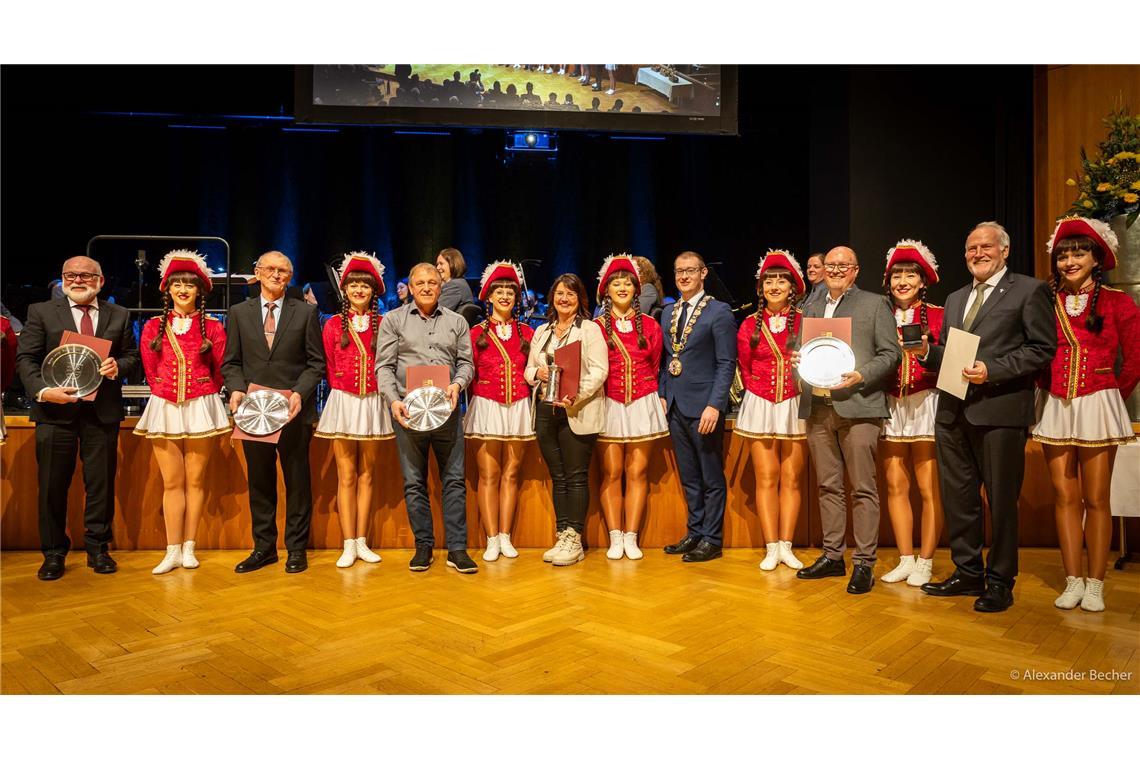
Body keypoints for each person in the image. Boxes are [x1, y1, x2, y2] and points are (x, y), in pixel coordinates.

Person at [918, 221, 1056, 612]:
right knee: (960, 498)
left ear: (1005, 250)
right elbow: (952, 353)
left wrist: (991, 369)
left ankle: (999, 580)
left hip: (1000, 411)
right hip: (952, 411)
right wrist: (927, 352)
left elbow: (1041, 349)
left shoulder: (1030, 290)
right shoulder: (957, 298)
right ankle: (967, 572)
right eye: (970, 249)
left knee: (1001, 501)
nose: (977, 254)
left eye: (985, 247)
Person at [1031, 217, 1138, 612]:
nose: (1069, 261)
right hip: (1056, 404)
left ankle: (1096, 583)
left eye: (1078, 253)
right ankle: (1072, 578)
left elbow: (1135, 359)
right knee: (1064, 496)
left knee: (1096, 499)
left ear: (1097, 258)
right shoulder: (1045, 300)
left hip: (1098, 404)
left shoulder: (1117, 302)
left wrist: (1110, 394)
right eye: (1063, 255)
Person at [16, 255, 140, 580]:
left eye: (86, 275)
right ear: (62, 279)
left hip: (102, 413)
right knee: (52, 486)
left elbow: (131, 357)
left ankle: (98, 549)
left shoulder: (120, 315)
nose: (78, 280)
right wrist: (43, 391)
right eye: (71, 275)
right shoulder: (41, 312)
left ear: (100, 281)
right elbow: (26, 359)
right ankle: (54, 553)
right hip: (54, 411)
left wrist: (119, 368)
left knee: (100, 484)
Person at [794, 246, 900, 594]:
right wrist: (799, 357)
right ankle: (832, 556)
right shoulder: (810, 304)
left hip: (859, 406)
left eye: (844, 265)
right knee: (828, 486)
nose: (836, 270)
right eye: (831, 265)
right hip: (819, 408)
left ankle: (864, 563)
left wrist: (862, 375)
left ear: (855, 270)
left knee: (863, 488)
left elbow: (890, 353)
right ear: (822, 269)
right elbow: (804, 347)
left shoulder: (873, 303)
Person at [222, 250, 325, 574]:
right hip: (254, 413)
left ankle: (296, 549)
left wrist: (298, 393)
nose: (277, 275)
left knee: (297, 482)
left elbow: (315, 363)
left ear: (289, 276)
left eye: (283, 271)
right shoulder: (238, 312)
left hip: (293, 412)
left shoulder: (306, 313)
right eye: (270, 269)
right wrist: (237, 388)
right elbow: (231, 362)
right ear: (257, 272)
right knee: (260, 481)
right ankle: (263, 548)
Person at [377, 262, 478, 573]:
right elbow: (384, 367)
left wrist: (457, 384)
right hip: (408, 412)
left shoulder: (457, 321)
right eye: (419, 282)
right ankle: (423, 546)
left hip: (446, 411)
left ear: (440, 286)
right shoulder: (393, 320)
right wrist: (393, 402)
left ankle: (458, 549)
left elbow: (466, 364)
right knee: (413, 482)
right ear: (411, 285)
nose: (425, 288)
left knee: (454, 481)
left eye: (431, 282)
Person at [135, 251, 231, 574]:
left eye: (189, 285)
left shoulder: (214, 329)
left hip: (201, 406)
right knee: (171, 482)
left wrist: (201, 390)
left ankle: (190, 547)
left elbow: (219, 371)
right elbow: (151, 371)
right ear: (167, 289)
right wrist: (166, 391)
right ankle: (171, 549)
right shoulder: (152, 328)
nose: (183, 290)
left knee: (196, 480)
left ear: (200, 290)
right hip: (165, 407)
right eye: (176, 284)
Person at [315, 252, 394, 568]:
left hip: (374, 403)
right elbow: (330, 367)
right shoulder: (333, 324)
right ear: (344, 289)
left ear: (374, 290)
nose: (359, 290)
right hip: (345, 402)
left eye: (365, 285)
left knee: (368, 474)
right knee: (346, 474)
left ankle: (362, 540)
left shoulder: (385, 324)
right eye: (353, 284)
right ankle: (348, 543)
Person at [659, 251, 737, 562]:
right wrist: (664, 393)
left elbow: (726, 363)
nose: (684, 276)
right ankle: (694, 532)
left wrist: (715, 405)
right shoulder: (668, 312)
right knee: (689, 476)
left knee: (710, 476)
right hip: (676, 405)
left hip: (705, 407)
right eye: (679, 271)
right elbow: (668, 361)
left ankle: (712, 539)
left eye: (691, 270)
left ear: (703, 273)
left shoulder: (718, 312)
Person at [526, 273, 608, 566]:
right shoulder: (541, 331)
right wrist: (539, 373)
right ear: (552, 297)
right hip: (547, 412)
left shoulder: (590, 330)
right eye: (560, 293)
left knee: (575, 476)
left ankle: (575, 537)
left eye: (570, 294)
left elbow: (599, 371)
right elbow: (527, 370)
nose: (564, 299)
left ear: (579, 300)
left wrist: (576, 395)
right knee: (557, 476)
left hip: (577, 410)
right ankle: (562, 533)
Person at [734, 251, 807, 571]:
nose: (775, 285)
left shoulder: (807, 321)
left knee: (791, 479)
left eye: (781, 280)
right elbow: (745, 368)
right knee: (766, 478)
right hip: (761, 403)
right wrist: (760, 392)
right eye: (769, 280)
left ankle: (787, 545)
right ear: (760, 287)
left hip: (795, 401)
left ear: (793, 287)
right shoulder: (748, 323)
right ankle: (771, 545)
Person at [878, 240, 944, 587]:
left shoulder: (940, 314)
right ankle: (905, 558)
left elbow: (952, 361)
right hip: (890, 404)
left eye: (910, 274)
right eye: (897, 275)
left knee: (928, 486)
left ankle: (926, 560)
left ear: (923, 280)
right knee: (895, 485)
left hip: (925, 402)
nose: (902, 281)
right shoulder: (878, 315)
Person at [594, 255, 668, 560]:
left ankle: (631, 535)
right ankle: (614, 535)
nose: (622, 287)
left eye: (627, 283)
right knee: (611, 472)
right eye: (616, 282)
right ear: (606, 290)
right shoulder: (595, 327)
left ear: (637, 289)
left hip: (641, 401)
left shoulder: (650, 326)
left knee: (637, 472)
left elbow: (654, 365)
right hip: (609, 403)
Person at [465, 261, 535, 561]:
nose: (505, 295)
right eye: (499, 290)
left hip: (518, 404)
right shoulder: (474, 332)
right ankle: (491, 538)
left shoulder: (529, 332)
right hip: (487, 404)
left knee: (512, 473)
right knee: (489, 474)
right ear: (488, 296)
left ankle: (506, 535)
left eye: (510, 291)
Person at [436, 247, 474, 312]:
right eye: (437, 264)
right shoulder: (460, 283)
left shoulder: (454, 286)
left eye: (441, 264)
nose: (437, 267)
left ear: (452, 264)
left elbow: (435, 312)